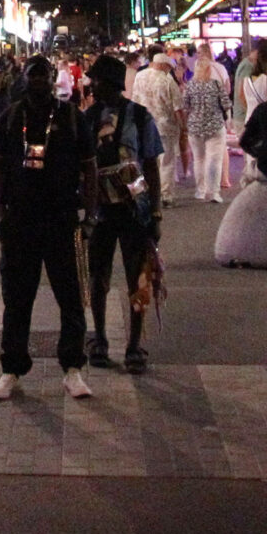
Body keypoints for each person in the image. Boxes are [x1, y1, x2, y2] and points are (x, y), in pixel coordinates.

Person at [0, 54, 96, 401]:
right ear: (24, 78)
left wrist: (90, 216)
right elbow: (0, 168)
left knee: (71, 297)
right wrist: (1, 213)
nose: (37, 81)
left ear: (52, 79)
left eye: (43, 75)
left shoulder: (71, 117)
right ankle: (11, 369)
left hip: (62, 218)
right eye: (31, 75)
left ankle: (73, 369)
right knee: (17, 298)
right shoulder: (11, 117)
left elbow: (90, 168)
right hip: (21, 220)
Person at [82, 55, 164, 374]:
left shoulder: (140, 118)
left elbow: (152, 167)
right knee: (97, 277)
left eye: (96, 81)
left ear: (111, 84)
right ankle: (99, 339)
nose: (92, 86)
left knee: (138, 279)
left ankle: (135, 345)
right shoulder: (86, 119)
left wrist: (156, 212)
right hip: (99, 213)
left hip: (135, 212)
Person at [182, 52, 232, 202]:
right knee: (214, 160)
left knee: (198, 160)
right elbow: (226, 104)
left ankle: (200, 190)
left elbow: (185, 107)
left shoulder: (189, 86)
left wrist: (186, 124)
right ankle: (214, 192)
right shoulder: (216, 84)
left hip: (195, 127)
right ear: (209, 70)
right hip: (215, 126)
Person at [131, 51, 184, 185]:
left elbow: (135, 99)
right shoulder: (168, 80)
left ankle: (150, 191)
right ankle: (165, 194)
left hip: (145, 125)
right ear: (163, 65)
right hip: (166, 127)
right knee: (166, 162)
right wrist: (183, 126)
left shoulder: (140, 76)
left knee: (148, 161)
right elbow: (177, 106)